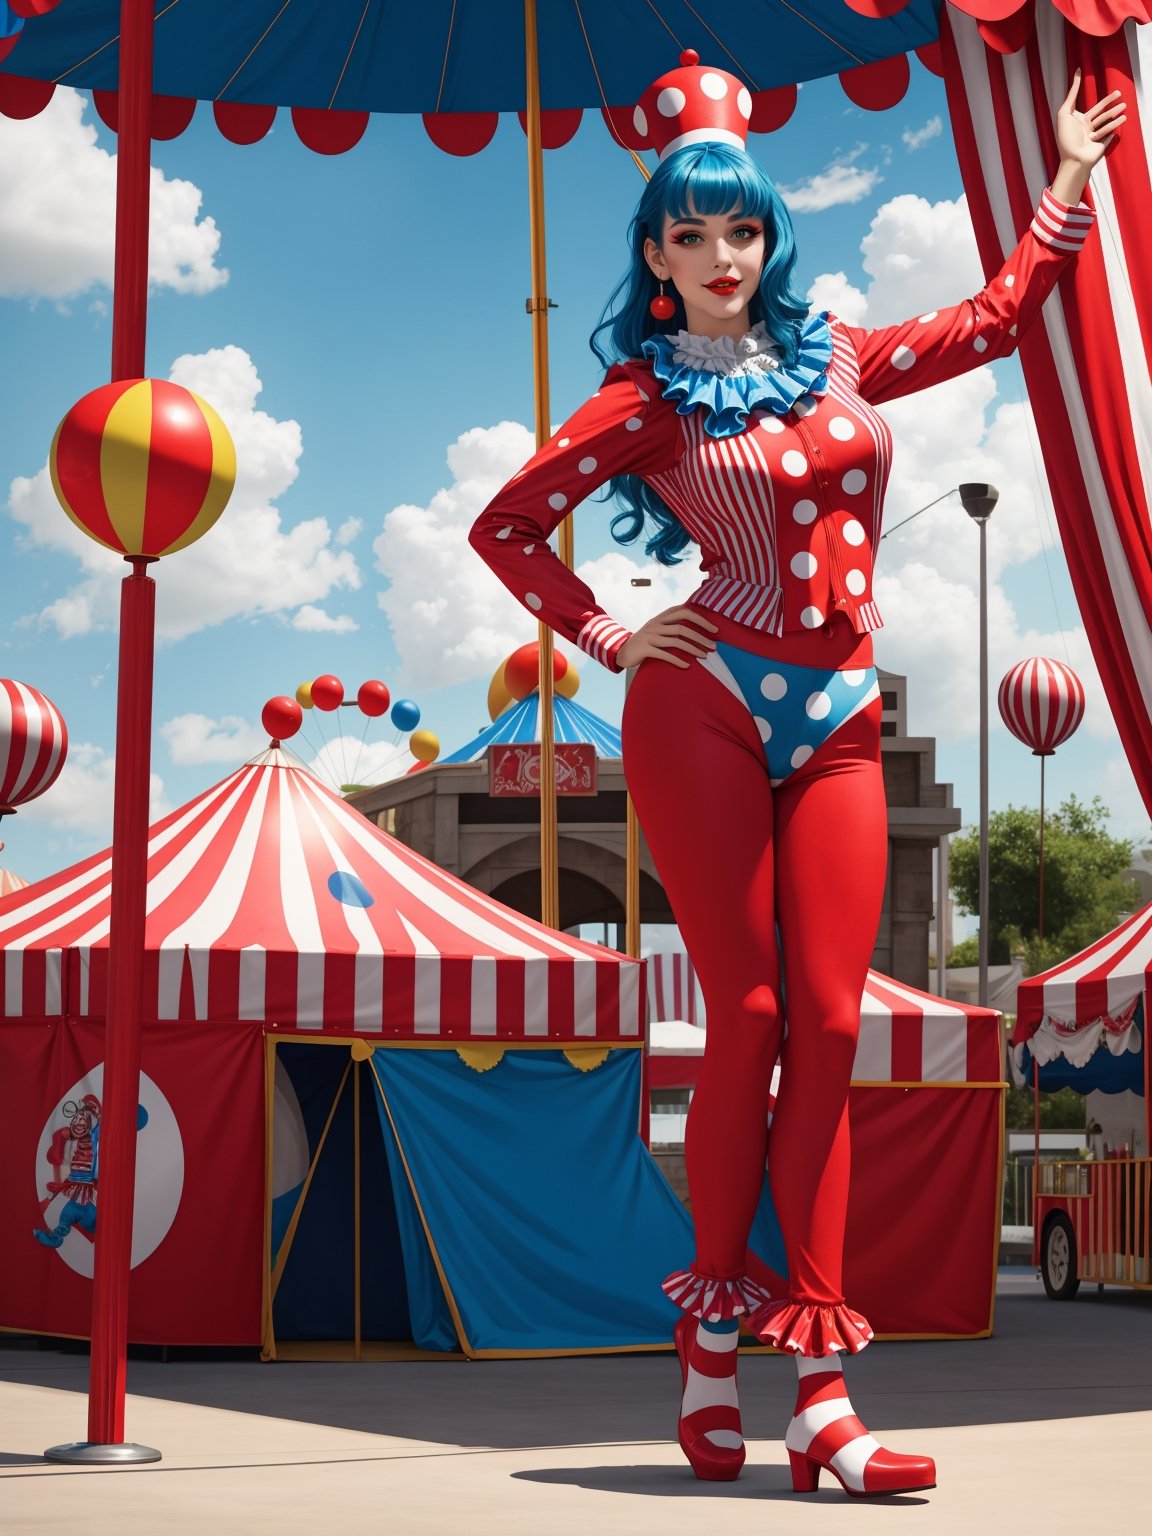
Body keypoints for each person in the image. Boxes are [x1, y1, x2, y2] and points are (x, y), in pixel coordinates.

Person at [470, 51, 1123, 1497]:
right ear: (654, 252)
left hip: (831, 712)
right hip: (699, 702)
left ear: (771, 238)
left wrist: (1070, 174)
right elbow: (508, 529)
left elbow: (1000, 318)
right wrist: (611, 634)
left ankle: (820, 1396)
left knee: (834, 1021)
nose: (720, 255)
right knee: (751, 1014)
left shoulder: (833, 350)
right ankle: (713, 1348)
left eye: (742, 230)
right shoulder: (640, 399)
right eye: (690, 234)